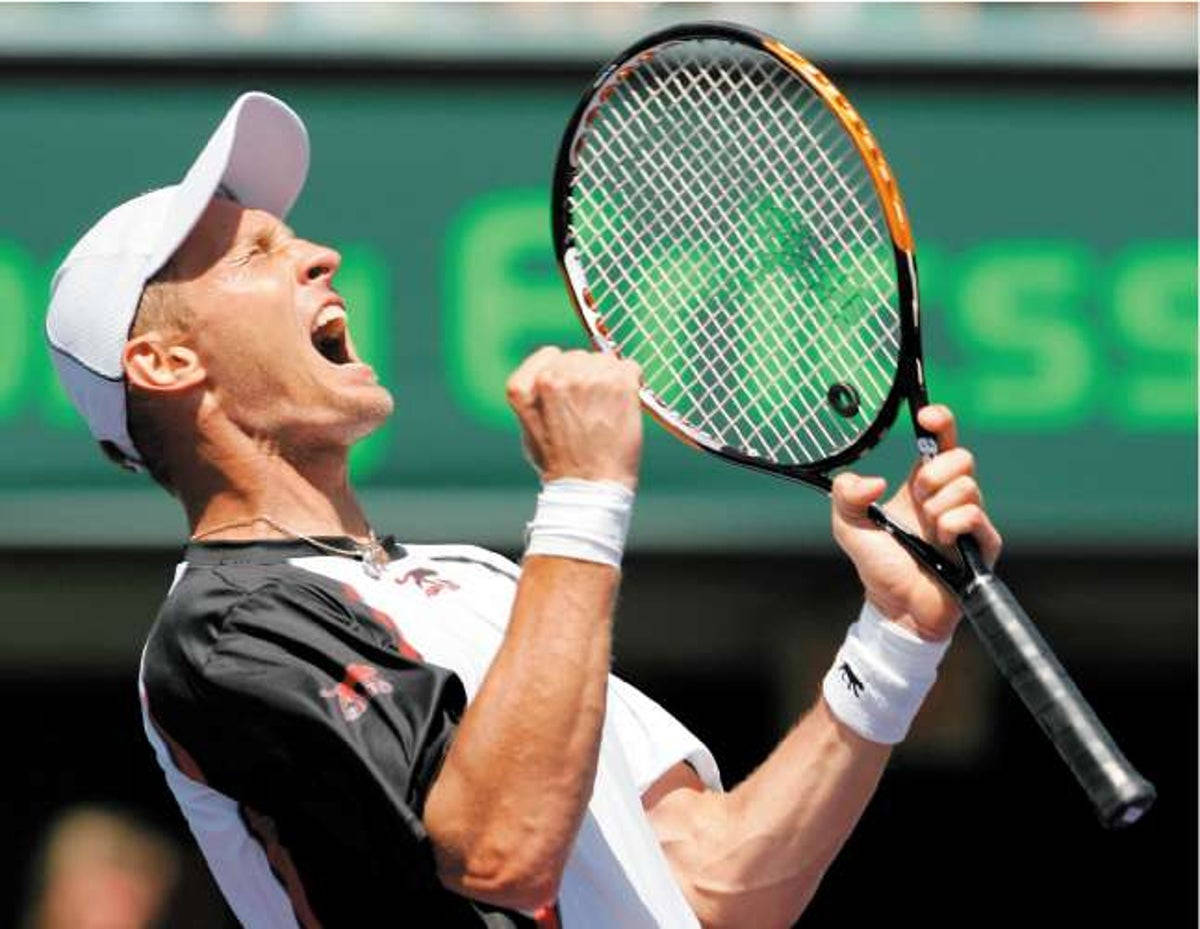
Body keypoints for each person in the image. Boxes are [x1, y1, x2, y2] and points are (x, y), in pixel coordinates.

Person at [46, 93, 1001, 928]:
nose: (319, 255)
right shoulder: (220, 633)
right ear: (166, 363)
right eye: (258, 252)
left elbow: (713, 882)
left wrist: (897, 641)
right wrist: (583, 496)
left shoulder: (482, 579)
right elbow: (500, 855)